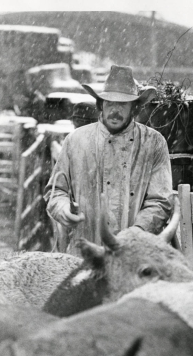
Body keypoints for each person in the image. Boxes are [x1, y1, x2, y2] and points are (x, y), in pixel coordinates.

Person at [44, 64, 173, 257]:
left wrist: (136, 233)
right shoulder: (76, 140)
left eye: (122, 104)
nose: (115, 110)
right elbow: (55, 192)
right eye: (109, 103)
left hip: (133, 257)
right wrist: (64, 211)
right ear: (100, 105)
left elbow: (160, 201)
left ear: (135, 107)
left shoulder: (153, 143)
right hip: (83, 254)